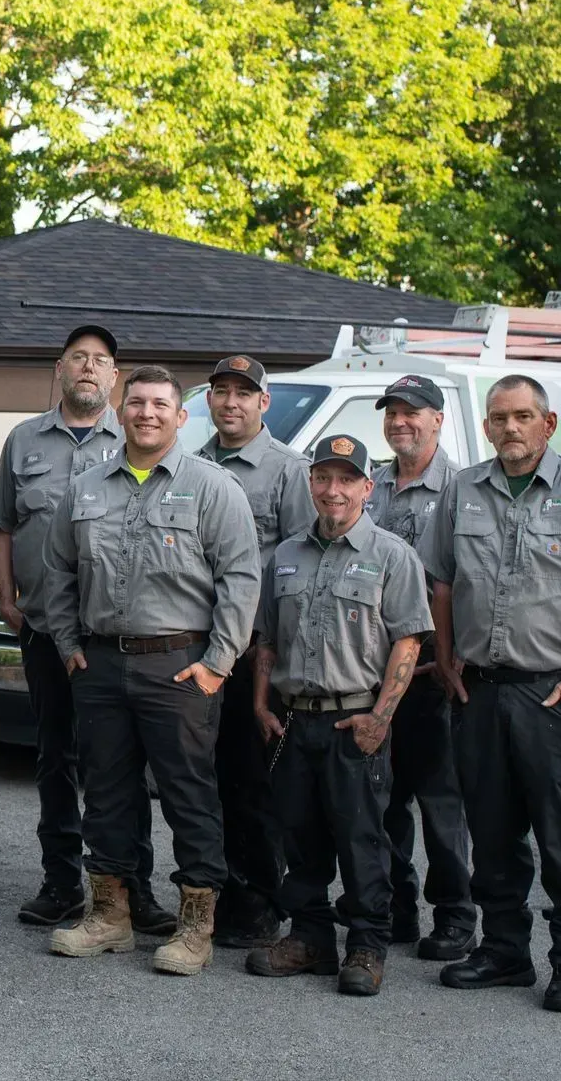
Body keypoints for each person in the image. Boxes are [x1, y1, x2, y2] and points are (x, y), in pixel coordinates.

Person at [421, 374, 561, 1013]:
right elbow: (440, 582)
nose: (510, 428)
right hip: (480, 694)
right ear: (486, 427)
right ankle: (504, 953)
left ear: (548, 425)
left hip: (550, 696)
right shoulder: (463, 489)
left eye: (523, 416)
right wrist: (446, 656)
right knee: (491, 834)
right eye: (499, 418)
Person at [42, 366, 259, 977]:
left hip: (180, 666)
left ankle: (196, 927)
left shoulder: (214, 489)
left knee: (189, 795)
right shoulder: (86, 488)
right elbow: (55, 570)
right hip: (102, 663)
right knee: (106, 793)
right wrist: (66, 643)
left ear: (180, 415)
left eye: (160, 404)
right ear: (120, 408)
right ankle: (110, 917)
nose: (147, 413)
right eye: (136, 402)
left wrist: (218, 663)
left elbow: (242, 580)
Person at [0, 325, 174, 936]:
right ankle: (62, 882)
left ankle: (133, 889)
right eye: (78, 359)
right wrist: (8, 598)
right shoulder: (23, 441)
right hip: (45, 628)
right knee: (55, 760)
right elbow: (6, 527)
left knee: (120, 765)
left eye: (100, 361)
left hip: (112, 637)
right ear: (60, 370)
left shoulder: (139, 440)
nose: (89, 369)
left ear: (114, 379)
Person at [246, 435, 431, 996]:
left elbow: (408, 643)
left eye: (346, 479)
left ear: (366, 488)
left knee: (362, 840)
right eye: (324, 478)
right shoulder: (285, 557)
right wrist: (260, 702)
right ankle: (310, 938)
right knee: (299, 838)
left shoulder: (391, 555)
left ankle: (367, 945)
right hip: (296, 721)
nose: (333, 490)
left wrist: (381, 717)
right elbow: (268, 639)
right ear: (311, 484)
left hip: (357, 724)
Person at [194, 355, 314, 948]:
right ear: (210, 400)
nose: (232, 402)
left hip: (254, 657)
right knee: (203, 781)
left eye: (245, 393)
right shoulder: (189, 466)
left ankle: (260, 902)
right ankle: (211, 892)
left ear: (264, 403)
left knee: (251, 785)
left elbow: (300, 567)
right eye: (222, 391)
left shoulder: (291, 472)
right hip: (199, 650)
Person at [363, 373, 474, 961]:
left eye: (413, 412)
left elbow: (462, 580)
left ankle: (455, 915)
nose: (400, 421)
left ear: (437, 420)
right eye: (392, 412)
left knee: (441, 802)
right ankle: (395, 907)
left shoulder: (462, 488)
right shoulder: (370, 486)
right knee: (382, 798)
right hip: (372, 669)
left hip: (433, 673)